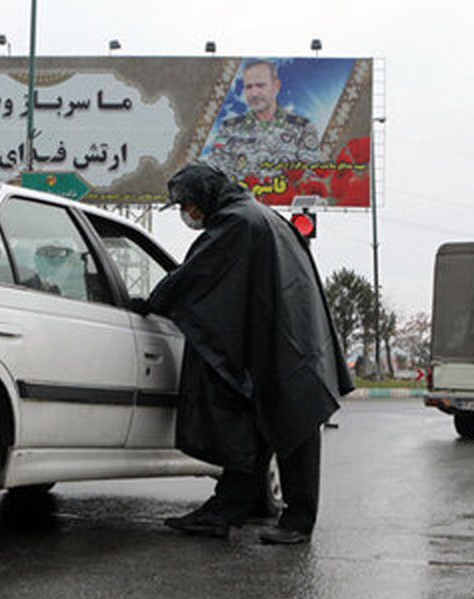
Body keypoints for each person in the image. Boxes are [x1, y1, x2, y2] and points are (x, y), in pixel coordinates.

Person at [133, 162, 353, 545]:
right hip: (290, 339)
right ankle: (227, 510)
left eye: (188, 205)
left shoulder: (236, 223)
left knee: (293, 426)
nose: (188, 214)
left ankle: (298, 522)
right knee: (259, 427)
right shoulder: (260, 214)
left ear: (204, 196)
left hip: (284, 345)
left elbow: (195, 275)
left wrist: (153, 302)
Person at [204, 60, 324, 177]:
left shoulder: (302, 128)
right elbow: (215, 174)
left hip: (284, 195)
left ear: (276, 86)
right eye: (249, 87)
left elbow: (313, 175)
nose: (254, 93)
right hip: (241, 196)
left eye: (260, 86)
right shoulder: (229, 129)